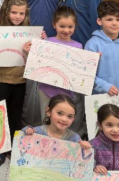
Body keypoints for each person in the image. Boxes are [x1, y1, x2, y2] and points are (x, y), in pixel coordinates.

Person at [12, 94, 92, 181]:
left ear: (74, 118)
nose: (64, 119)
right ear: (48, 111)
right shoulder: (38, 132)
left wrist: (86, 151)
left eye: (69, 116)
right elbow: (21, 142)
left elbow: (83, 167)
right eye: (59, 113)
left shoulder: (75, 139)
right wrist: (26, 132)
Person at [0, 0, 45, 138]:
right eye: (14, 12)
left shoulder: (29, 32)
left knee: (15, 115)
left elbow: (37, 58)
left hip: (20, 81)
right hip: (0, 80)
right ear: (6, 11)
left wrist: (40, 43)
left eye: (21, 13)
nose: (18, 16)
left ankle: (13, 144)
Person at [21, 0, 60, 126]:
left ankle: (48, 129)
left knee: (50, 89)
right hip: (30, 43)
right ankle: (28, 128)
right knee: (30, 92)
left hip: (54, 43)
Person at [36, 7, 86, 136]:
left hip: (67, 93)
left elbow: (80, 71)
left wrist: (93, 61)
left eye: (70, 27)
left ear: (75, 26)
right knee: (47, 122)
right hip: (47, 91)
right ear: (54, 25)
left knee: (65, 124)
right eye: (62, 26)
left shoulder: (79, 46)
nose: (66, 30)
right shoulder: (47, 42)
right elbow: (39, 65)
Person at [85, 1, 119, 96]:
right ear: (99, 21)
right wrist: (104, 86)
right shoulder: (92, 44)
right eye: (109, 19)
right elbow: (86, 72)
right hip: (99, 96)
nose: (114, 23)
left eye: (118, 19)